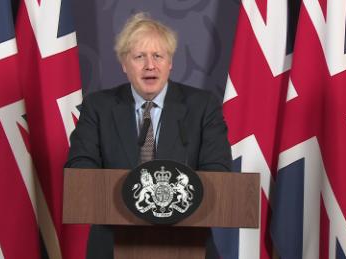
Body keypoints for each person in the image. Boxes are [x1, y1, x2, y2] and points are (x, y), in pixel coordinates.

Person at [66, 12, 232, 259]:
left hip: (187, 245)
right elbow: (81, 169)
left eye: (157, 56)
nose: (149, 65)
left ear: (170, 62)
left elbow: (218, 172)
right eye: (139, 56)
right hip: (112, 245)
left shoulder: (202, 107)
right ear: (124, 63)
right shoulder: (98, 107)